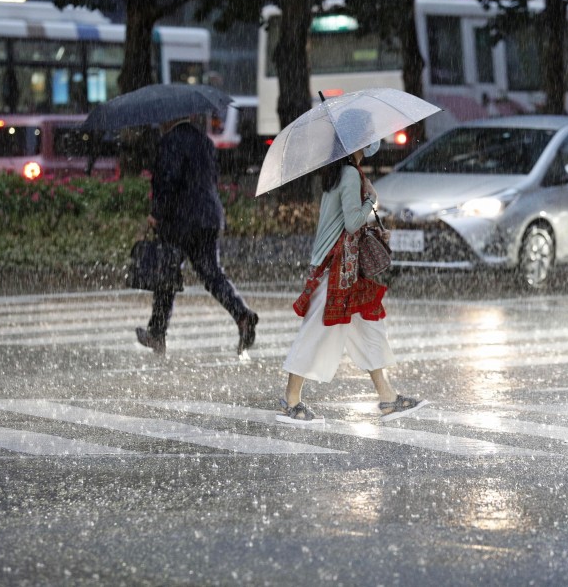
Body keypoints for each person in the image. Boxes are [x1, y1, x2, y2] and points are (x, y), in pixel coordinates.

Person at [276, 135, 427, 424]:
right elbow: (352, 222)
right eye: (368, 137)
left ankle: (387, 397)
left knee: (370, 328)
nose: (373, 143)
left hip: (348, 269)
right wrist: (370, 200)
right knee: (316, 331)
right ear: (355, 142)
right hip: (334, 269)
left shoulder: (346, 172)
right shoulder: (348, 174)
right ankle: (290, 400)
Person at [136, 114, 258, 356]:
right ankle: (242, 315)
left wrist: (157, 213)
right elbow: (209, 179)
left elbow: (168, 181)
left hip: (181, 219)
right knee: (211, 273)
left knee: (166, 273)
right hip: (208, 216)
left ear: (170, 118)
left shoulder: (170, 141)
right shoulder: (205, 141)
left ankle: (157, 333)